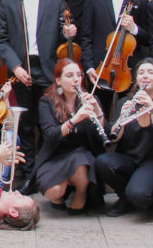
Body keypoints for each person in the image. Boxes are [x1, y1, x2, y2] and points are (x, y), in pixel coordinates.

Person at [0, 0, 69, 184]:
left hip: (48, 68)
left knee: (50, 123)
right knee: (25, 125)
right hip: (21, 69)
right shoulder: (8, 3)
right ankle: (28, 176)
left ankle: (47, 172)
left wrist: (69, 33)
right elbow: (1, 41)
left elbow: (62, 35)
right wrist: (15, 67)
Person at [94, 58, 153, 217]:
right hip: (130, 159)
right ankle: (124, 197)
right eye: (141, 73)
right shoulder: (126, 101)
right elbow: (114, 139)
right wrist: (122, 119)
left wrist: (151, 108)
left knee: (140, 196)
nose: (145, 76)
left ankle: (152, 196)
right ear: (136, 78)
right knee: (102, 162)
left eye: (151, 72)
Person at [80, 0, 150, 113]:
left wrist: (134, 29)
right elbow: (86, 36)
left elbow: (149, 38)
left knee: (129, 116)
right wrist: (89, 67)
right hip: (100, 69)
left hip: (128, 70)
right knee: (98, 115)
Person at [33, 58, 107, 213]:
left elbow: (101, 136)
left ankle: (81, 193)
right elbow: (51, 135)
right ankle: (61, 193)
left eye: (79, 75)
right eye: (69, 76)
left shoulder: (90, 100)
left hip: (82, 155)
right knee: (54, 190)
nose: (76, 79)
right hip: (56, 154)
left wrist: (98, 112)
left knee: (80, 160)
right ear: (58, 80)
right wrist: (75, 120)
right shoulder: (47, 102)